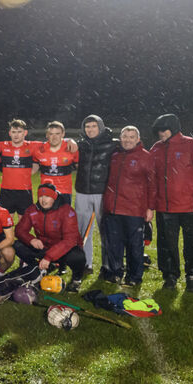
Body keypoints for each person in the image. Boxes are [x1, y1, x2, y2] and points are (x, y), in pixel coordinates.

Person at [150, 113, 193, 292]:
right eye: (158, 131)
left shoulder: (192, 145)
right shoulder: (156, 149)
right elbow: (151, 179)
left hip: (191, 207)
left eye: (164, 130)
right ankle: (170, 276)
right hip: (165, 207)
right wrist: (151, 205)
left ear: (174, 128)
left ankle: (192, 276)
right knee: (166, 245)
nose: (161, 133)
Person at [101, 126, 155, 286]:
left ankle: (134, 277)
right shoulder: (114, 155)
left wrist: (150, 207)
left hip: (134, 209)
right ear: (120, 138)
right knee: (114, 244)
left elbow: (153, 185)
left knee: (134, 245)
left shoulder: (146, 157)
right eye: (125, 136)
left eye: (132, 137)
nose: (128, 140)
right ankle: (115, 273)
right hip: (113, 208)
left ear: (138, 139)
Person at [13, 180, 85, 292]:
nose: (43, 200)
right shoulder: (32, 209)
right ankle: (36, 268)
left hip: (63, 250)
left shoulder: (67, 211)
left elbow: (69, 240)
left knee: (78, 256)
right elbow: (19, 230)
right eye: (41, 196)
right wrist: (31, 239)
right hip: (43, 248)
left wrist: (49, 257)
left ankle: (76, 280)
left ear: (54, 197)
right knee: (17, 245)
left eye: (47, 196)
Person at [74, 115, 118, 277]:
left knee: (106, 231)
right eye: (87, 127)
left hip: (102, 193)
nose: (90, 129)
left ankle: (107, 266)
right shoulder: (81, 144)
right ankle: (86, 263)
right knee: (82, 231)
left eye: (93, 126)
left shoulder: (112, 144)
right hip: (82, 192)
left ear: (100, 126)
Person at [33, 121, 79, 205]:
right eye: (51, 134)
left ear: (63, 134)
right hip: (46, 191)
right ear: (47, 135)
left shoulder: (71, 148)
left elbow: (81, 167)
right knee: (46, 217)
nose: (54, 137)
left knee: (64, 217)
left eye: (57, 134)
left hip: (65, 192)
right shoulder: (39, 149)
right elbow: (34, 165)